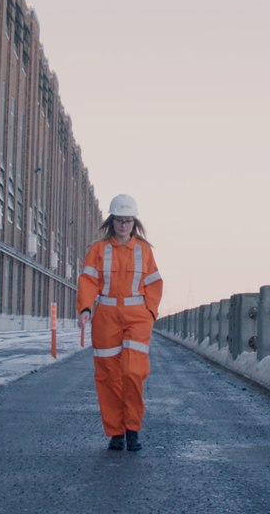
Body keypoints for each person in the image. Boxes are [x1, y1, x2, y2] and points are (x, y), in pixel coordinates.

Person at [77, 193, 163, 452]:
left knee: (133, 373)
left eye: (128, 221)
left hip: (137, 317)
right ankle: (116, 433)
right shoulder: (98, 250)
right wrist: (84, 308)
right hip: (106, 316)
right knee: (108, 376)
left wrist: (150, 312)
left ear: (134, 222)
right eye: (119, 220)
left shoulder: (144, 250)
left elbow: (154, 283)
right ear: (111, 221)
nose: (124, 225)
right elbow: (88, 280)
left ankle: (132, 428)